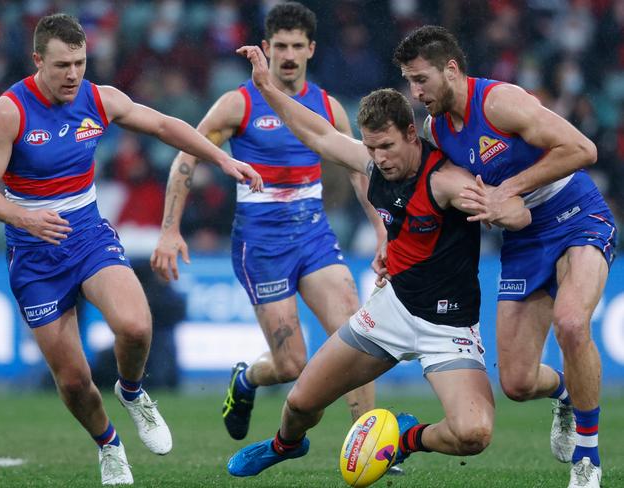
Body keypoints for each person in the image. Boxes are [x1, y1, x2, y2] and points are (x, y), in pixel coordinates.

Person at [0, 13, 261, 486]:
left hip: (86, 233)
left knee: (135, 324)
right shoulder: (10, 112)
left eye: (81, 63)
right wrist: (23, 216)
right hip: (33, 250)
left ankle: (132, 392)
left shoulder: (99, 99)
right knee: (71, 380)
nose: (73, 75)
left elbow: (165, 125)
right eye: (62, 64)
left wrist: (222, 157)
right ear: (37, 61)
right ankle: (109, 444)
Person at [225, 44, 531, 481]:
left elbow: (520, 215)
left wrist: (505, 210)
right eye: (371, 148)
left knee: (474, 434)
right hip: (392, 310)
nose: (379, 158)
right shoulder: (372, 163)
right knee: (300, 403)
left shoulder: (447, 183)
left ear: (411, 133)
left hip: (448, 328)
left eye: (386, 146)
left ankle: (404, 439)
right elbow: (318, 135)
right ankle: (284, 445)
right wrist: (267, 88)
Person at [394, 25, 618, 488]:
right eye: (410, 81)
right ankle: (566, 392)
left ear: (451, 69)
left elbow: (583, 149)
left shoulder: (500, 102)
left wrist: (508, 189)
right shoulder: (436, 128)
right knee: (515, 383)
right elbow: (440, 194)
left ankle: (588, 458)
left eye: (421, 80)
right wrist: (391, 244)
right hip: (524, 238)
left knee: (573, 323)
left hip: (576, 215)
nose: (415, 93)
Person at [151, 1, 383, 445]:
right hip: (261, 244)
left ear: (312, 49)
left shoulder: (326, 106)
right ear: (266, 48)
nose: (290, 55)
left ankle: (367, 443)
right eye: (281, 46)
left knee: (355, 333)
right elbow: (187, 157)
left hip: (314, 236)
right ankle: (246, 380)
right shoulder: (238, 103)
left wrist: (381, 231)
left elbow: (359, 171)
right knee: (291, 365)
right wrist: (169, 229)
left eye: (298, 45)